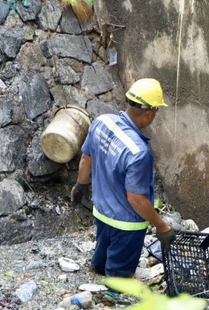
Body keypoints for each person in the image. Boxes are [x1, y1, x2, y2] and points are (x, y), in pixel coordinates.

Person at [70, 78, 175, 277]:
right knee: (119, 279)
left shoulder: (102, 122)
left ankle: (97, 285)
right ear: (148, 113)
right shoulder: (139, 152)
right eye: (156, 112)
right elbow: (136, 198)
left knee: (100, 265)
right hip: (127, 226)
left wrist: (81, 185)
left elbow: (86, 157)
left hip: (101, 212)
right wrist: (162, 227)